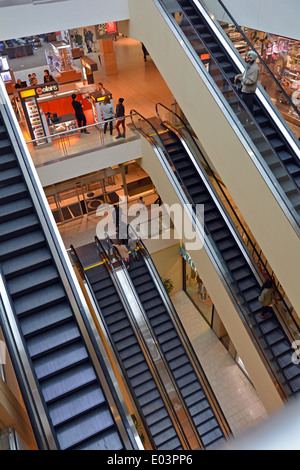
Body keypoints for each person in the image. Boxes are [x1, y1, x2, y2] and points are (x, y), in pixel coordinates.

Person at [235, 50, 259, 122]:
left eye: (250, 58)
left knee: (245, 106)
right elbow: (245, 74)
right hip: (245, 88)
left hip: (248, 90)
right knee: (250, 105)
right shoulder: (249, 65)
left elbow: (252, 81)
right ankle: (251, 120)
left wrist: (242, 80)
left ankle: (243, 121)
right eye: (248, 57)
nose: (248, 59)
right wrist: (239, 76)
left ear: (254, 59)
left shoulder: (255, 69)